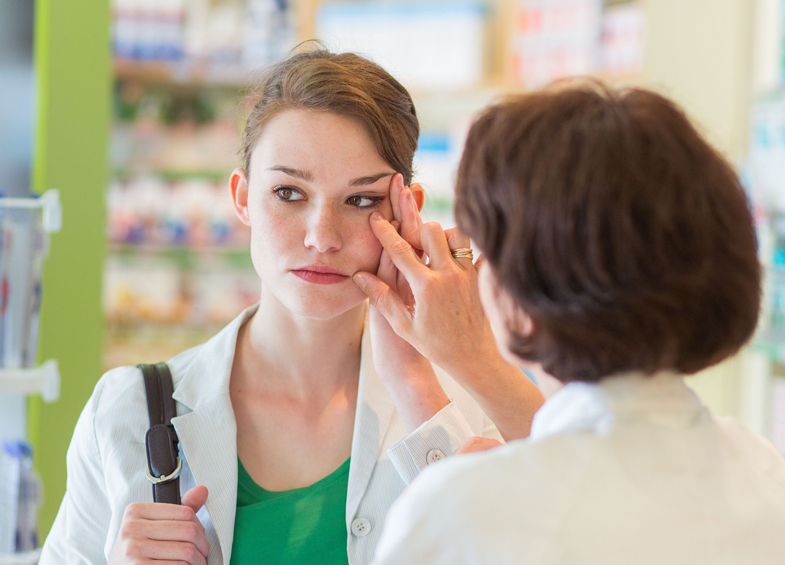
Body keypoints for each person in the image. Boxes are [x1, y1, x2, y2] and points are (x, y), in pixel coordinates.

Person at [40, 46, 544, 565]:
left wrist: (430, 376)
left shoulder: (463, 411)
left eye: (361, 199)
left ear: (406, 210)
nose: (321, 237)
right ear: (241, 197)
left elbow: (576, 530)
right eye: (288, 192)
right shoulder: (127, 411)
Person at [356, 83, 785, 565]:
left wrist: (462, 488)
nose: (478, 270)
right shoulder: (763, 473)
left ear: (521, 295)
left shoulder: (466, 510)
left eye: (483, 251)